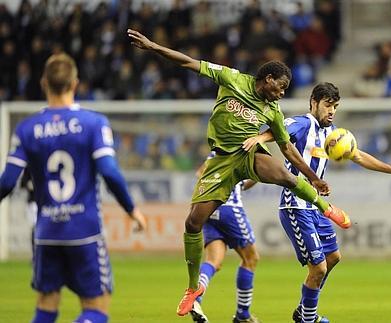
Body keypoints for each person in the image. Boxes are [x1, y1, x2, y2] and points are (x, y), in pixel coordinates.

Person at [127, 29, 350, 319]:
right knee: (193, 223)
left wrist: (314, 178)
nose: (282, 93)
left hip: (247, 156)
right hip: (220, 163)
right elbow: (188, 62)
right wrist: (154, 46)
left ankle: (326, 208)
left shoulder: (273, 111)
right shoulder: (232, 79)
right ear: (268, 79)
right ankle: (193, 288)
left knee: (284, 175)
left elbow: (288, 150)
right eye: (280, 87)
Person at [248, 83, 391, 323]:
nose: (332, 111)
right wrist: (259, 137)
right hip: (295, 205)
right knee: (319, 268)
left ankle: (304, 309)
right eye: (327, 105)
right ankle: (308, 318)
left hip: (315, 207)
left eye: (335, 106)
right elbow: (279, 130)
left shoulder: (333, 134)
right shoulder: (303, 123)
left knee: (333, 258)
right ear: (313, 103)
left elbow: (358, 155)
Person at [0, 53, 147, 323]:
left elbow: (8, 181)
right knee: (97, 308)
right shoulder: (94, 124)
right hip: (85, 231)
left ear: (44, 83)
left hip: (46, 232)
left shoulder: (26, 129)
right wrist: (131, 209)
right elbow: (110, 172)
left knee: (46, 305)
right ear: (75, 83)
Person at [190, 152, 260, 323]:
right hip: (230, 208)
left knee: (213, 261)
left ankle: (195, 301)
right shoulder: (241, 150)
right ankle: (243, 315)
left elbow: (200, 175)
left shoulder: (214, 154)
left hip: (207, 209)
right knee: (251, 258)